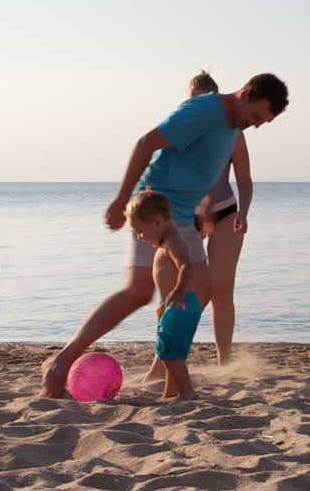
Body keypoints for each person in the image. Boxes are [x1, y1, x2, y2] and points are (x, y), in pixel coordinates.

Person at [39, 72, 289, 398]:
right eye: (256, 116)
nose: (254, 125)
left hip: (184, 216)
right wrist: (121, 200)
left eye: (262, 123)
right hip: (155, 209)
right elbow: (146, 143)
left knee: (197, 291)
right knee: (140, 291)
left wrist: (206, 214)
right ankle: (61, 361)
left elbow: (203, 170)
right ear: (244, 96)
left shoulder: (231, 126)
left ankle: (173, 383)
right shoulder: (203, 111)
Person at [191, 79, 254, 366]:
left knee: (222, 289)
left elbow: (245, 180)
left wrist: (244, 213)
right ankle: (167, 357)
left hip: (226, 212)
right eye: (196, 100)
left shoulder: (233, 133)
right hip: (188, 216)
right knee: (181, 290)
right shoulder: (181, 130)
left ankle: (224, 363)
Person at [125, 189, 202, 399]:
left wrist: (179, 290)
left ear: (156, 222)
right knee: (172, 351)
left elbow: (186, 266)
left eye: (140, 231)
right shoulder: (170, 239)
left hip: (180, 303)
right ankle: (171, 393)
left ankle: (187, 393)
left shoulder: (174, 242)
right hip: (176, 305)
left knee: (169, 353)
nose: (140, 237)